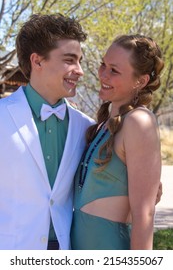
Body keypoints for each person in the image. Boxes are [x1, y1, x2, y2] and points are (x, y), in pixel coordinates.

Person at [0, 13, 95, 250]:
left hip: (65, 251)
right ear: (37, 61)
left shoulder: (86, 127)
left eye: (80, 60)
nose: (79, 70)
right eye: (69, 60)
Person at [71, 34, 164, 250]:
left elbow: (145, 214)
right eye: (103, 64)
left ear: (140, 81)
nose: (103, 74)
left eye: (114, 70)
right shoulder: (104, 125)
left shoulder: (139, 122)